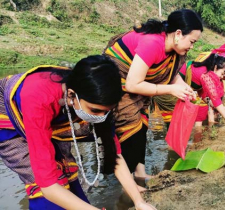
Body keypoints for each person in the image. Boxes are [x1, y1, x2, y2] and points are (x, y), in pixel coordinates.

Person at [0, 55, 155, 209]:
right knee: (44, 178)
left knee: (67, 170)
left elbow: (114, 152)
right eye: (95, 110)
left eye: (106, 112)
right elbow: (48, 186)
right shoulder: (40, 98)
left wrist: (138, 201)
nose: (101, 117)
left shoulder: (89, 98)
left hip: (54, 114)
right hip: (9, 119)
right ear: (71, 95)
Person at [103, 9, 203, 180]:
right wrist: (171, 90)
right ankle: (127, 183)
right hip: (119, 81)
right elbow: (133, 84)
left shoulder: (172, 49)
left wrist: (186, 88)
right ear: (178, 33)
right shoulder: (153, 43)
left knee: (142, 126)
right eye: (191, 41)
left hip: (138, 84)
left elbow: (171, 74)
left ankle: (140, 174)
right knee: (130, 128)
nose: (191, 47)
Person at [179, 54, 225, 129]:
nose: (222, 77)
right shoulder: (206, 75)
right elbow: (215, 99)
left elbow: (204, 96)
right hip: (172, 85)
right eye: (222, 73)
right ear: (215, 67)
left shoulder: (205, 71)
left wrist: (221, 108)